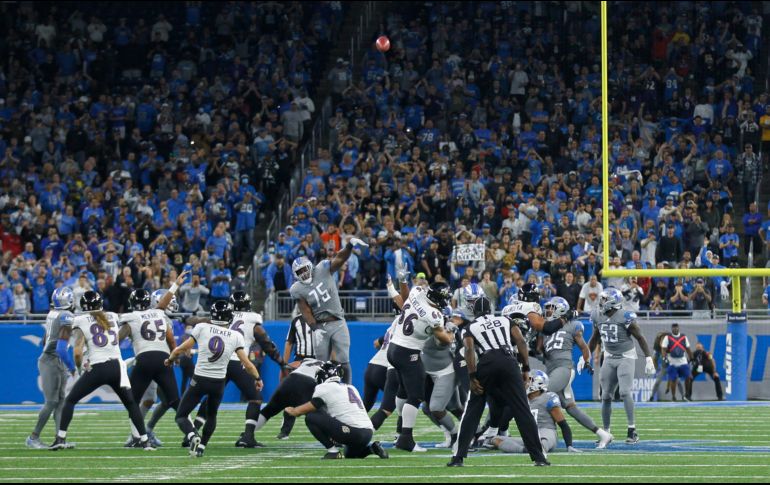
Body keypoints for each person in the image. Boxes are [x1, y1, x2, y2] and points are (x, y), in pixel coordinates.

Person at [448, 296, 550, 467]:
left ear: (475, 311)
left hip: (486, 363)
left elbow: (469, 349)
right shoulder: (505, 319)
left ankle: (458, 457)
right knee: (522, 409)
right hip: (508, 361)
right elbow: (521, 341)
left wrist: (472, 376)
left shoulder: (470, 327)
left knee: (473, 410)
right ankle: (539, 457)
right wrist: (525, 368)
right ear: (491, 309)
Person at [50, 291, 155, 451]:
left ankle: (60, 438)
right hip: (117, 367)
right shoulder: (112, 316)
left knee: (70, 400)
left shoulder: (79, 320)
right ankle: (145, 441)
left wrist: (78, 368)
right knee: (131, 403)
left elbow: (77, 351)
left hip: (98, 367)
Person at [165, 300, 262, 458]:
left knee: (181, 416)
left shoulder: (202, 328)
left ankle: (192, 436)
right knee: (212, 415)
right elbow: (247, 363)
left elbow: (183, 348)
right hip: (218, 383)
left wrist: (170, 358)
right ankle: (202, 446)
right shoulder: (235, 335)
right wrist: (257, 378)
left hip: (200, 379)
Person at [290, 236, 369, 383]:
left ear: (310, 266)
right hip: (320, 325)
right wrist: (315, 329)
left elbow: (340, 259)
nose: (304, 274)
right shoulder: (297, 289)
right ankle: (320, 394)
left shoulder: (322, 269)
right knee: (320, 364)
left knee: (343, 360)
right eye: (300, 272)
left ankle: (347, 391)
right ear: (296, 275)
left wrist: (349, 246)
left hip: (337, 321)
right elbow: (305, 311)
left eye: (304, 269)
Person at [387, 282, 454, 452]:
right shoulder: (435, 314)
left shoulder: (416, 292)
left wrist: (402, 282)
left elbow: (405, 295)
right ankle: (406, 439)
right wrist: (451, 332)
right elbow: (443, 339)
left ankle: (399, 431)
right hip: (408, 352)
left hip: (393, 347)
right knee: (416, 396)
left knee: (403, 391)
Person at [538, 297, 612, 448]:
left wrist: (585, 361)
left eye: (551, 308)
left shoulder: (572, 325)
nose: (548, 311)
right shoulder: (546, 328)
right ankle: (603, 434)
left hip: (563, 369)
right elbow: (539, 351)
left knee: (539, 396)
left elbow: (584, 348)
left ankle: (543, 433)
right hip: (551, 370)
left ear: (560, 309)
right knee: (571, 408)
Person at [587, 288, 655, 446]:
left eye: (604, 299)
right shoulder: (597, 315)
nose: (601, 302)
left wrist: (648, 358)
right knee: (605, 396)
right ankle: (606, 432)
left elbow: (640, 337)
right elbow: (595, 337)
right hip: (609, 356)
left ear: (613, 301)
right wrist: (586, 356)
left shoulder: (625, 316)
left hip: (626, 356)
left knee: (624, 392)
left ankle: (632, 430)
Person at [285, 361, 388, 460]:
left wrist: (293, 411)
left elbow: (310, 407)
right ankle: (372, 449)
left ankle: (333, 452)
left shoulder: (324, 388)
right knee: (349, 454)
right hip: (367, 433)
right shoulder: (350, 387)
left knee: (311, 417)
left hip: (353, 432)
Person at [119, 287, 180, 448]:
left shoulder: (163, 317)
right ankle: (137, 433)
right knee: (150, 399)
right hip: (156, 361)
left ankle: (146, 430)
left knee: (166, 400)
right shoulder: (156, 316)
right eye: (170, 302)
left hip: (160, 361)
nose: (172, 305)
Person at [26, 287, 76, 449]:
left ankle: (59, 439)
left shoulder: (53, 313)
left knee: (61, 401)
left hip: (53, 359)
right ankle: (33, 437)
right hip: (52, 360)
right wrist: (72, 366)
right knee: (52, 401)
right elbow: (61, 348)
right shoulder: (66, 315)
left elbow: (44, 339)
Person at [485, 370, 577, 454]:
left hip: (547, 432)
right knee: (495, 439)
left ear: (538, 382)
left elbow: (563, 424)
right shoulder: (521, 400)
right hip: (530, 434)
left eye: (529, 380)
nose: (524, 383)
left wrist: (569, 445)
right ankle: (525, 450)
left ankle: (532, 449)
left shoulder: (549, 397)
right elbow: (504, 420)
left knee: (541, 444)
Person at [660, 323, 694, 401]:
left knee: (688, 377)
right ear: (671, 329)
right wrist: (664, 357)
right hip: (672, 362)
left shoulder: (683, 337)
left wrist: (692, 358)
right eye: (673, 328)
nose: (675, 329)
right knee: (673, 379)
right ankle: (673, 396)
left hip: (683, 361)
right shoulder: (667, 337)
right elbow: (663, 349)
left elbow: (688, 349)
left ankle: (687, 394)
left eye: (676, 327)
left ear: (679, 328)